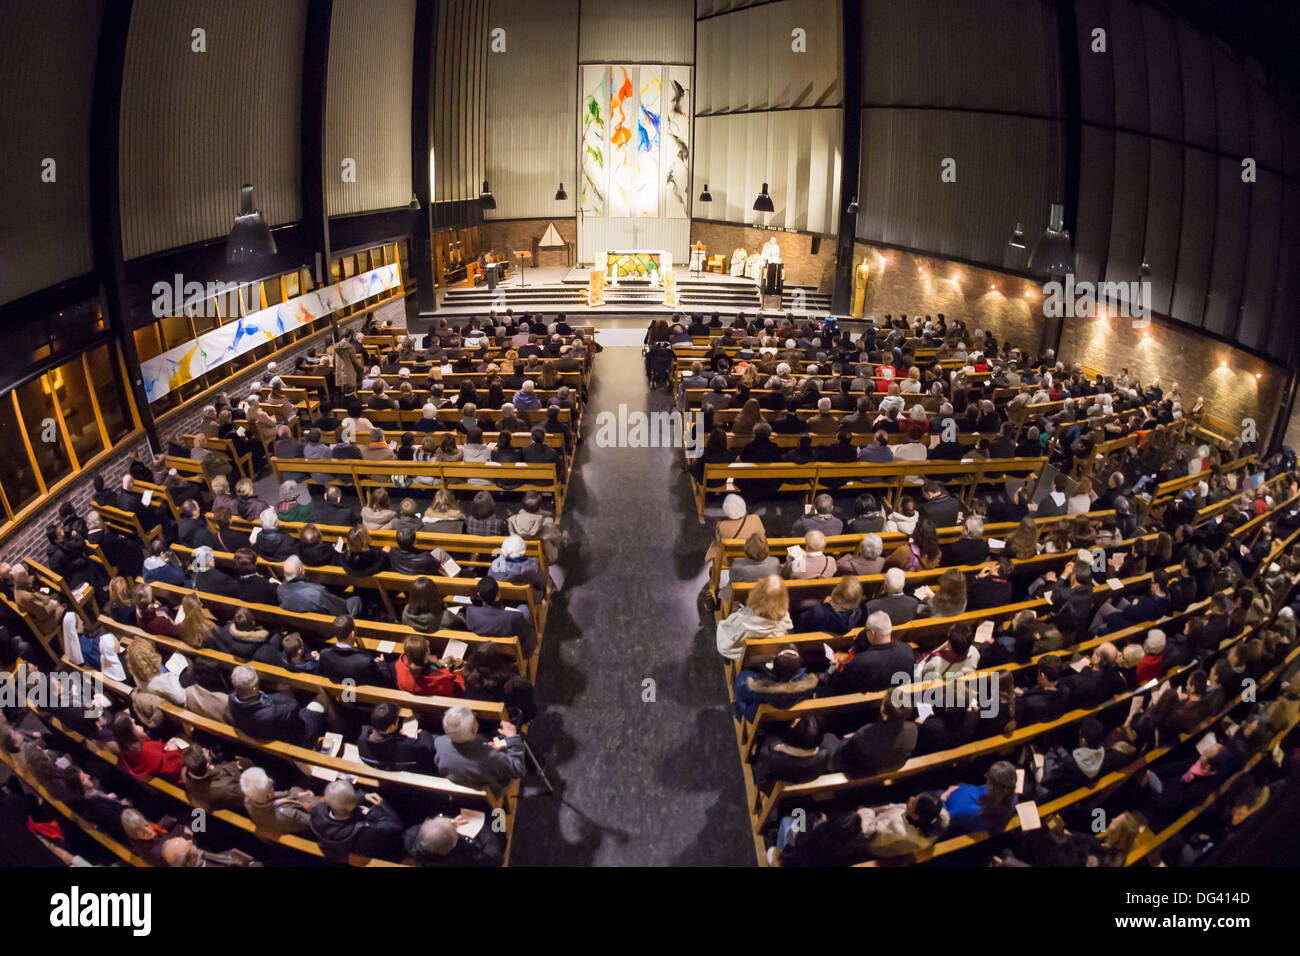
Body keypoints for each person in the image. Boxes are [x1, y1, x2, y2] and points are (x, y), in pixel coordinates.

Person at [433, 705, 525, 794]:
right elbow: (519, 769)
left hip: (461, 782)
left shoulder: (440, 742)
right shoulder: (492, 758)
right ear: (474, 729)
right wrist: (512, 738)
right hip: (491, 788)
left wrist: (485, 748)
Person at [227, 665, 327, 747]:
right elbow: (294, 705)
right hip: (300, 733)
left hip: (266, 731)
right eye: (257, 684)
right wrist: (283, 692)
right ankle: (337, 729)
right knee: (322, 697)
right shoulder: (269, 713)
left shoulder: (231, 700)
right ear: (253, 689)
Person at [309, 779, 404, 863]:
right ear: (351, 805)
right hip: (367, 849)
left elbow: (340, 804)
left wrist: (362, 796)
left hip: (338, 848)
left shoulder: (317, 813)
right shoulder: (363, 829)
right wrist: (375, 811)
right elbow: (396, 826)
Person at [825, 611, 915, 694]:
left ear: (872, 633)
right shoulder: (907, 650)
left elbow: (838, 685)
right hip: (895, 698)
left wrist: (834, 668)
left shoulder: (860, 661)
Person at [830, 695, 918, 777]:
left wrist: (848, 740)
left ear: (883, 711)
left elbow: (842, 753)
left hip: (862, 770)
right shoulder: (913, 729)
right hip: (893, 765)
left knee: (828, 737)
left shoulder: (863, 735)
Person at [715, 575, 792, 661]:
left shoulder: (744, 622)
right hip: (767, 653)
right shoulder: (785, 618)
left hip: (746, 654)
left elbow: (729, 634)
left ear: (757, 594)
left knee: (723, 631)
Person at [942, 761, 1018, 835]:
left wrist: (943, 798)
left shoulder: (970, 811)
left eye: (988, 776)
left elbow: (946, 819)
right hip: (961, 797)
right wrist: (960, 788)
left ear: (991, 786)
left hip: (948, 808)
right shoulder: (1013, 798)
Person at [239, 766, 317, 835]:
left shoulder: (248, 799)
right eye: (270, 783)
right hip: (305, 826)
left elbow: (284, 796)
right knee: (311, 777)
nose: (270, 780)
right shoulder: (286, 814)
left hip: (290, 807)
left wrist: (297, 795)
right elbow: (314, 822)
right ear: (269, 795)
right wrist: (311, 800)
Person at [278, 555, 363, 617]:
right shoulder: (318, 592)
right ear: (301, 570)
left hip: (303, 626)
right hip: (326, 628)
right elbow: (342, 610)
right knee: (356, 599)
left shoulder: (280, 589)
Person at [404, 815, 505, 867]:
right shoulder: (461, 857)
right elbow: (496, 857)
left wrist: (452, 823)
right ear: (453, 845)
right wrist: (484, 826)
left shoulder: (411, 836)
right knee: (496, 823)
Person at [317, 615, 386, 685]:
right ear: (353, 633)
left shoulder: (324, 654)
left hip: (337, 693)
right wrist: (381, 664)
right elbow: (380, 680)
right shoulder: (365, 660)